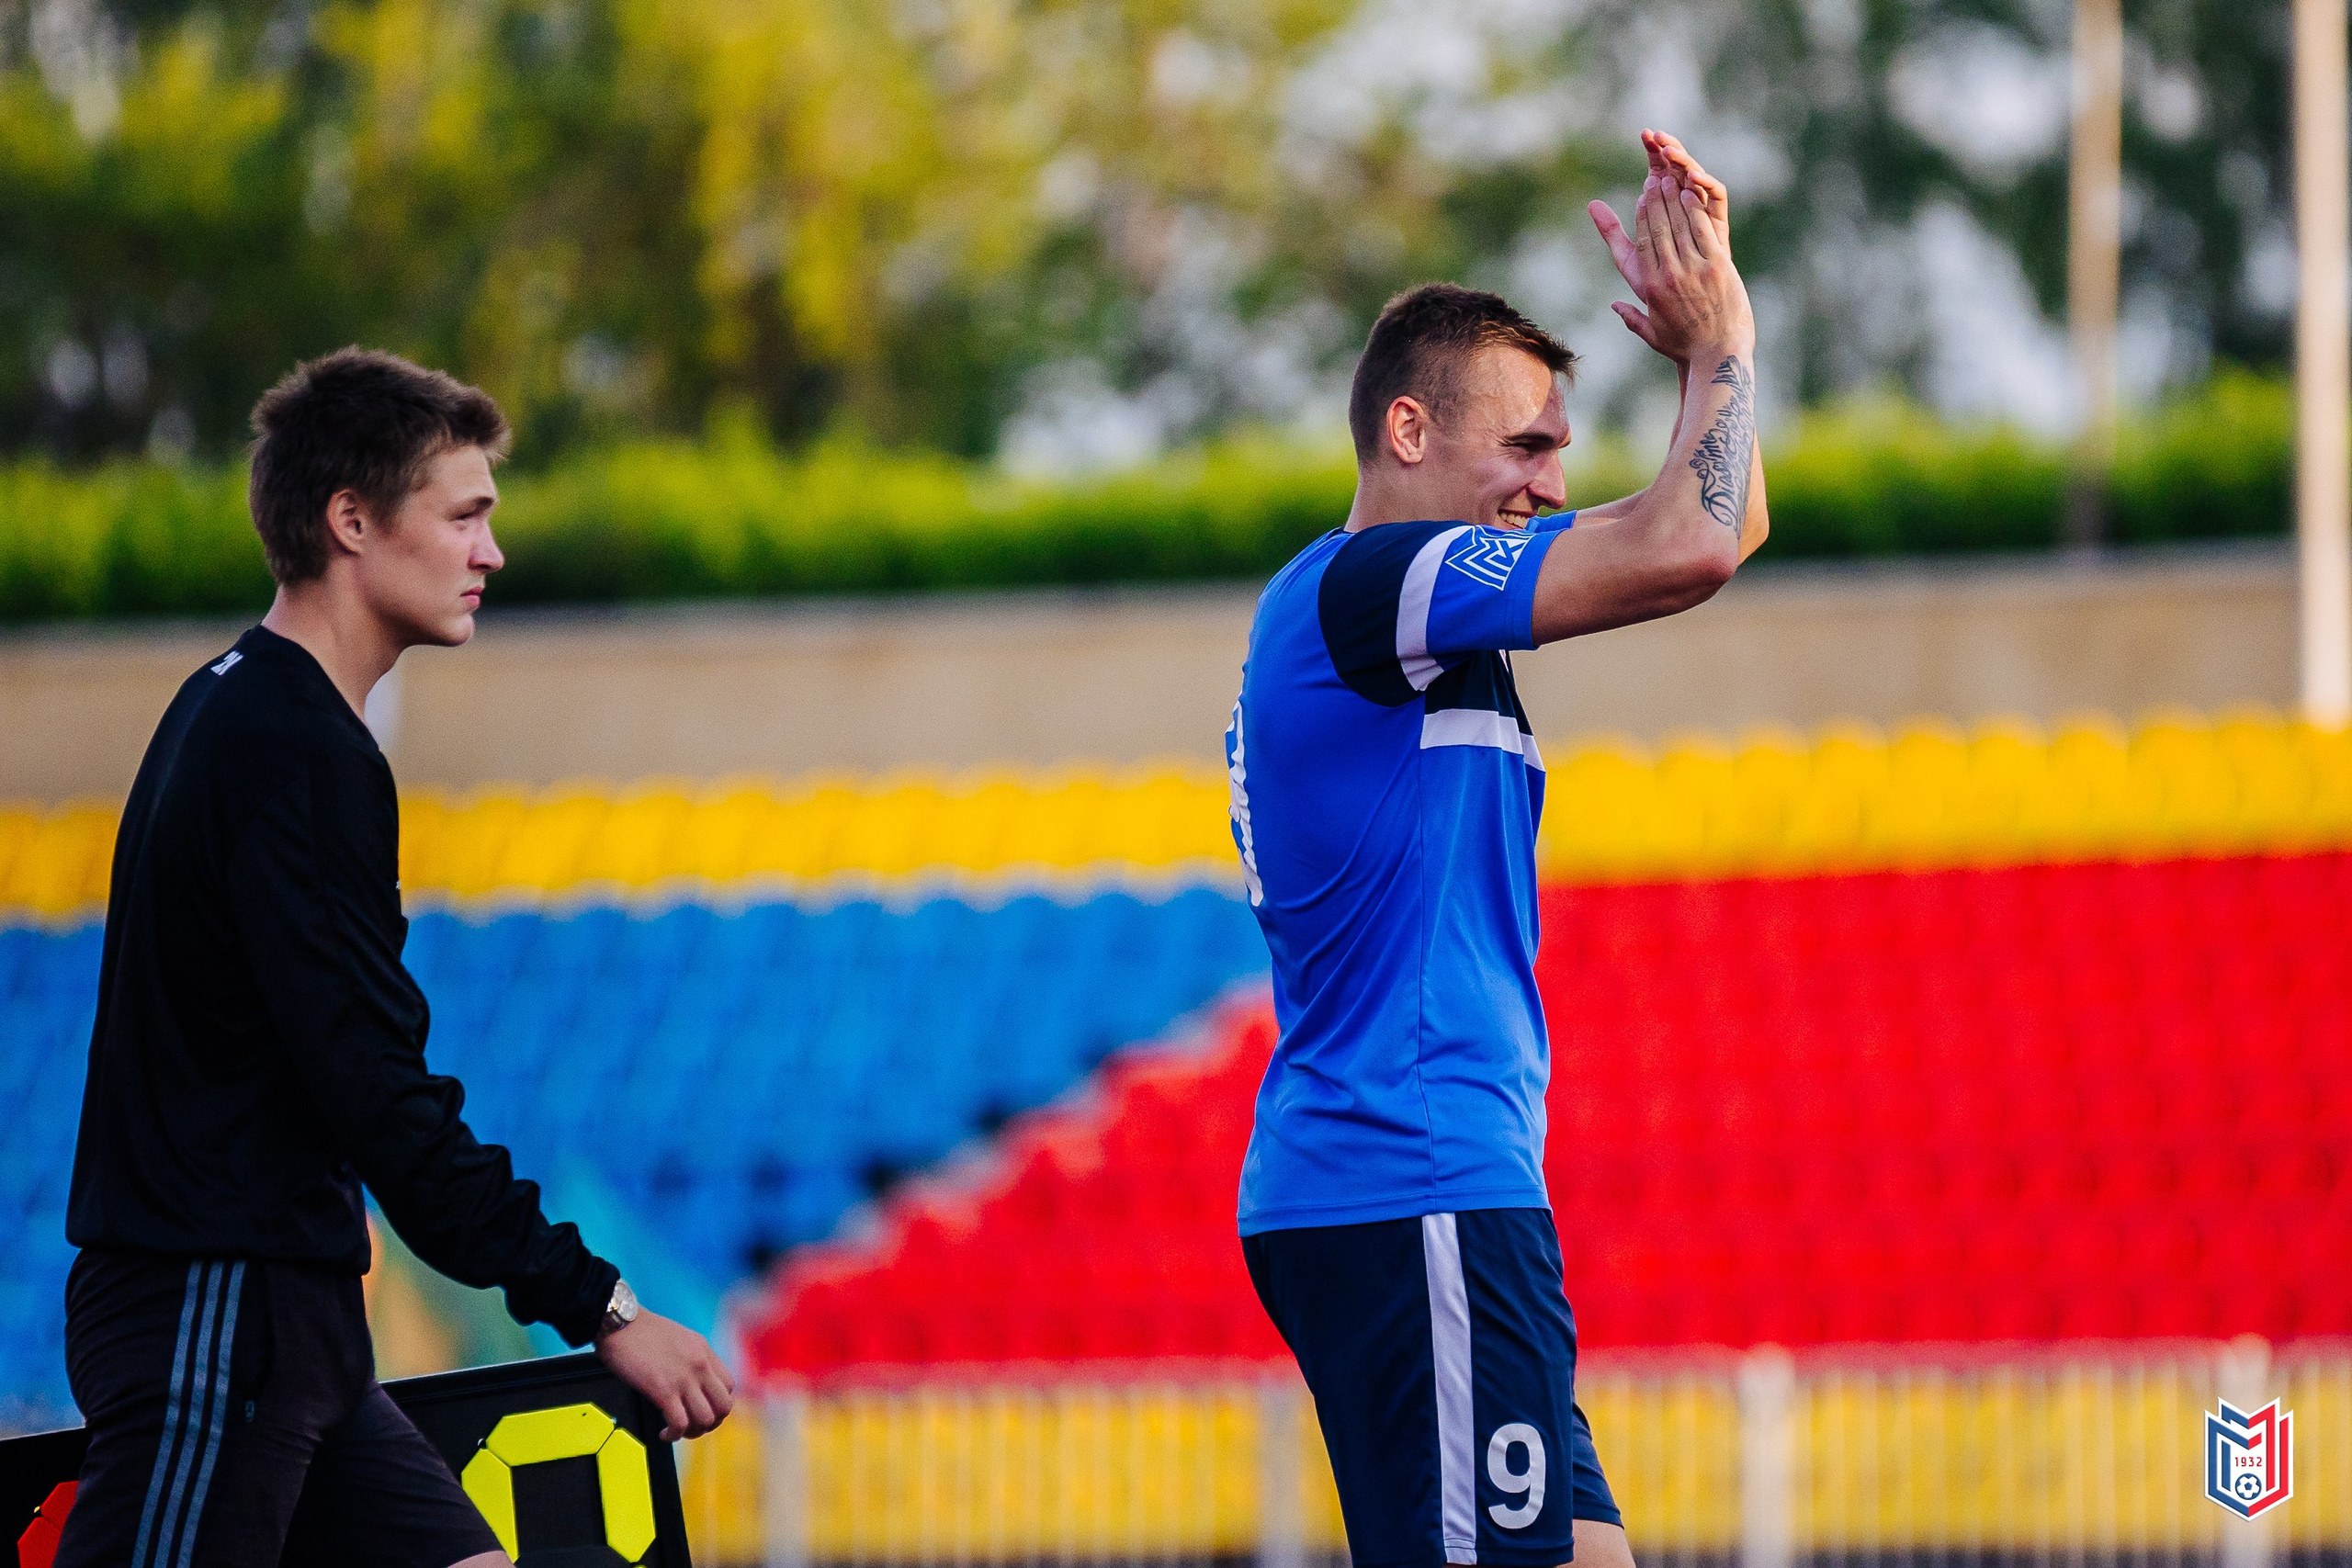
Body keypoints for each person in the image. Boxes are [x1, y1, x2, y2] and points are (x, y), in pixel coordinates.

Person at [55, 348, 736, 1568]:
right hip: (217, 1315)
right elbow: (381, 1097)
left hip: (293, 1329)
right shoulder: (289, 744)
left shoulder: (244, 709)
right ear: (352, 522)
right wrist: (602, 1309)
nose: (492, 553)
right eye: (465, 516)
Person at [1227, 131, 1766, 1568]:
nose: (1546, 482)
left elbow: (1724, 517)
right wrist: (1722, 343)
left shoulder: (1390, 604)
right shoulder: (1373, 587)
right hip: (1416, 1185)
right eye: (1524, 446)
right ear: (1408, 434)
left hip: (1430, 1190)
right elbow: (1692, 545)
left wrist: (1717, 349)